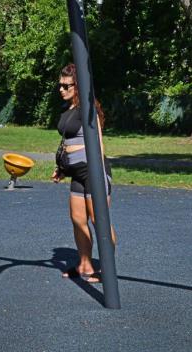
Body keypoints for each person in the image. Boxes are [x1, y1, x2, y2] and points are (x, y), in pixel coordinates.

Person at [52, 63, 116, 283]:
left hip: (93, 171)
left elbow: (97, 141)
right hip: (76, 173)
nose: (61, 89)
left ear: (77, 87)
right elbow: (68, 142)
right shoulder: (69, 110)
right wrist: (61, 168)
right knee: (78, 219)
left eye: (66, 85)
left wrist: (97, 173)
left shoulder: (87, 109)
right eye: (60, 85)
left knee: (99, 220)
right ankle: (85, 265)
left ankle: (107, 269)